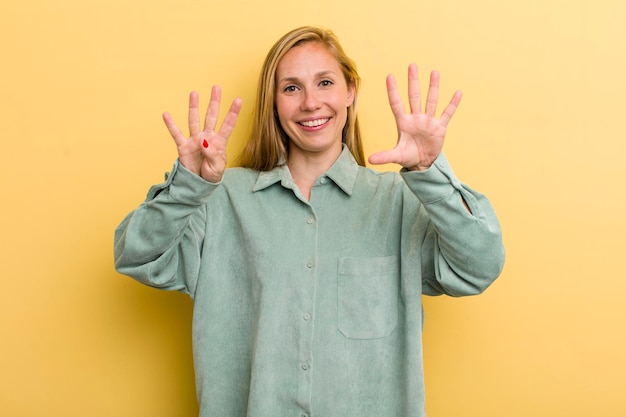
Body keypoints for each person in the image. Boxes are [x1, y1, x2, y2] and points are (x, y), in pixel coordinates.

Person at [114, 26, 505, 417]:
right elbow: (136, 255)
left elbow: (480, 266)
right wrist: (188, 187)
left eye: (325, 82)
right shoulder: (220, 200)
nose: (310, 103)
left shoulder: (399, 202)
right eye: (291, 88)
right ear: (274, 102)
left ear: (350, 91)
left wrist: (429, 171)